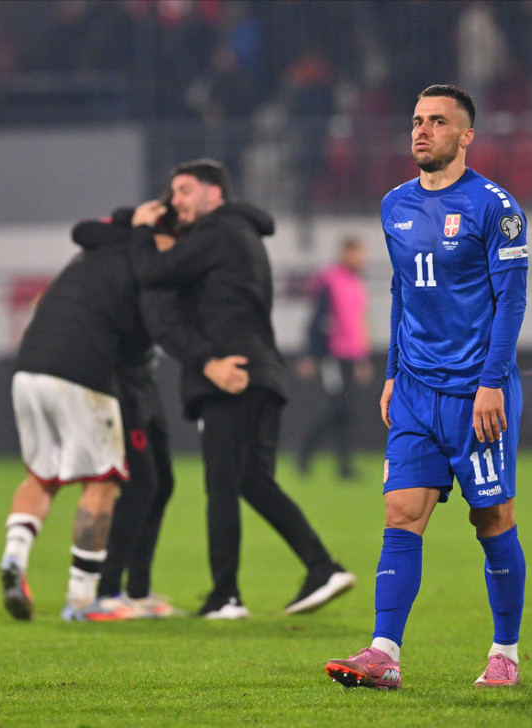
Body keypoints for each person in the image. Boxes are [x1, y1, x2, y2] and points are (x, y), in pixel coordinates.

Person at [325, 84, 529, 690]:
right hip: (415, 389)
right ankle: (384, 653)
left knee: (491, 519)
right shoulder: (394, 205)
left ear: (466, 136)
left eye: (438, 122)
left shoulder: (497, 207)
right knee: (400, 512)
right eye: (417, 120)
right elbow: (399, 293)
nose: (422, 130)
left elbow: (511, 300)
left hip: (476, 393)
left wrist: (492, 383)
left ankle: (505, 652)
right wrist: (392, 373)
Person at [130, 159, 354, 619]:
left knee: (223, 485)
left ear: (215, 194)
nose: (176, 201)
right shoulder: (239, 233)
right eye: (172, 192)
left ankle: (227, 595)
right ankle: (320, 566)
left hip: (232, 372)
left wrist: (140, 229)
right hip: (261, 370)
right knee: (250, 480)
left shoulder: (218, 230)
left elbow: (153, 272)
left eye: (185, 190)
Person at [0, 209, 152, 622]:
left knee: (41, 476)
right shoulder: (142, 264)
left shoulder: (89, 253)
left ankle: (14, 556)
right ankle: (82, 599)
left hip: (28, 367)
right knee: (103, 482)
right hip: (81, 374)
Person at [72, 213, 180, 620]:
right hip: (118, 383)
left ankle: (136, 589)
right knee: (140, 485)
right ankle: (108, 589)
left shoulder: (162, 260)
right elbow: (82, 231)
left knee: (161, 483)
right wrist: (138, 224)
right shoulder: (131, 243)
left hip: (143, 381)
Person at [294, 236, 373, 479]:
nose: (361, 259)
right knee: (340, 410)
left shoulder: (357, 283)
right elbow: (318, 319)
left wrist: (363, 358)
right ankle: (306, 453)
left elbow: (360, 323)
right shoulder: (329, 280)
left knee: (345, 412)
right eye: (356, 253)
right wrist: (312, 354)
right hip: (334, 356)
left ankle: (342, 465)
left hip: (352, 357)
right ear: (345, 253)